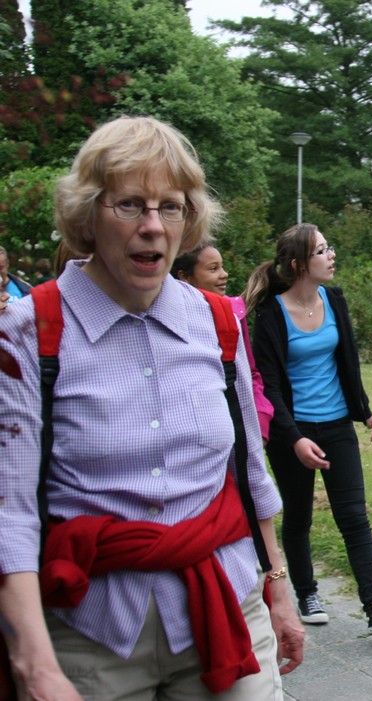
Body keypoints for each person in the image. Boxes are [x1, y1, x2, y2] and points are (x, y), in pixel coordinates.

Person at [0, 115, 304, 699]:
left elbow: (248, 471)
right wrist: (34, 666)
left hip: (227, 607)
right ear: (88, 214)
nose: (152, 226)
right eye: (129, 205)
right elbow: (10, 512)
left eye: (171, 207)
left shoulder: (218, 323)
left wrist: (279, 590)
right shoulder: (27, 332)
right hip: (88, 633)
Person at [245, 223, 372, 634]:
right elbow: (269, 385)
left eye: (328, 247)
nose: (331, 255)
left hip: (336, 425)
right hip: (292, 431)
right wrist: (294, 438)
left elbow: (346, 360)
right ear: (298, 264)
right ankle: (307, 593)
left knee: (354, 516)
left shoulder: (334, 299)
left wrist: (362, 409)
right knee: (298, 517)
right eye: (321, 250)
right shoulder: (270, 314)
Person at [172, 244, 275, 441]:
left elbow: (250, 373)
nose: (224, 274)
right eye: (213, 269)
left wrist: (261, 421)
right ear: (184, 277)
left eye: (222, 266)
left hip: (236, 427)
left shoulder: (232, 313)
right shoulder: (171, 320)